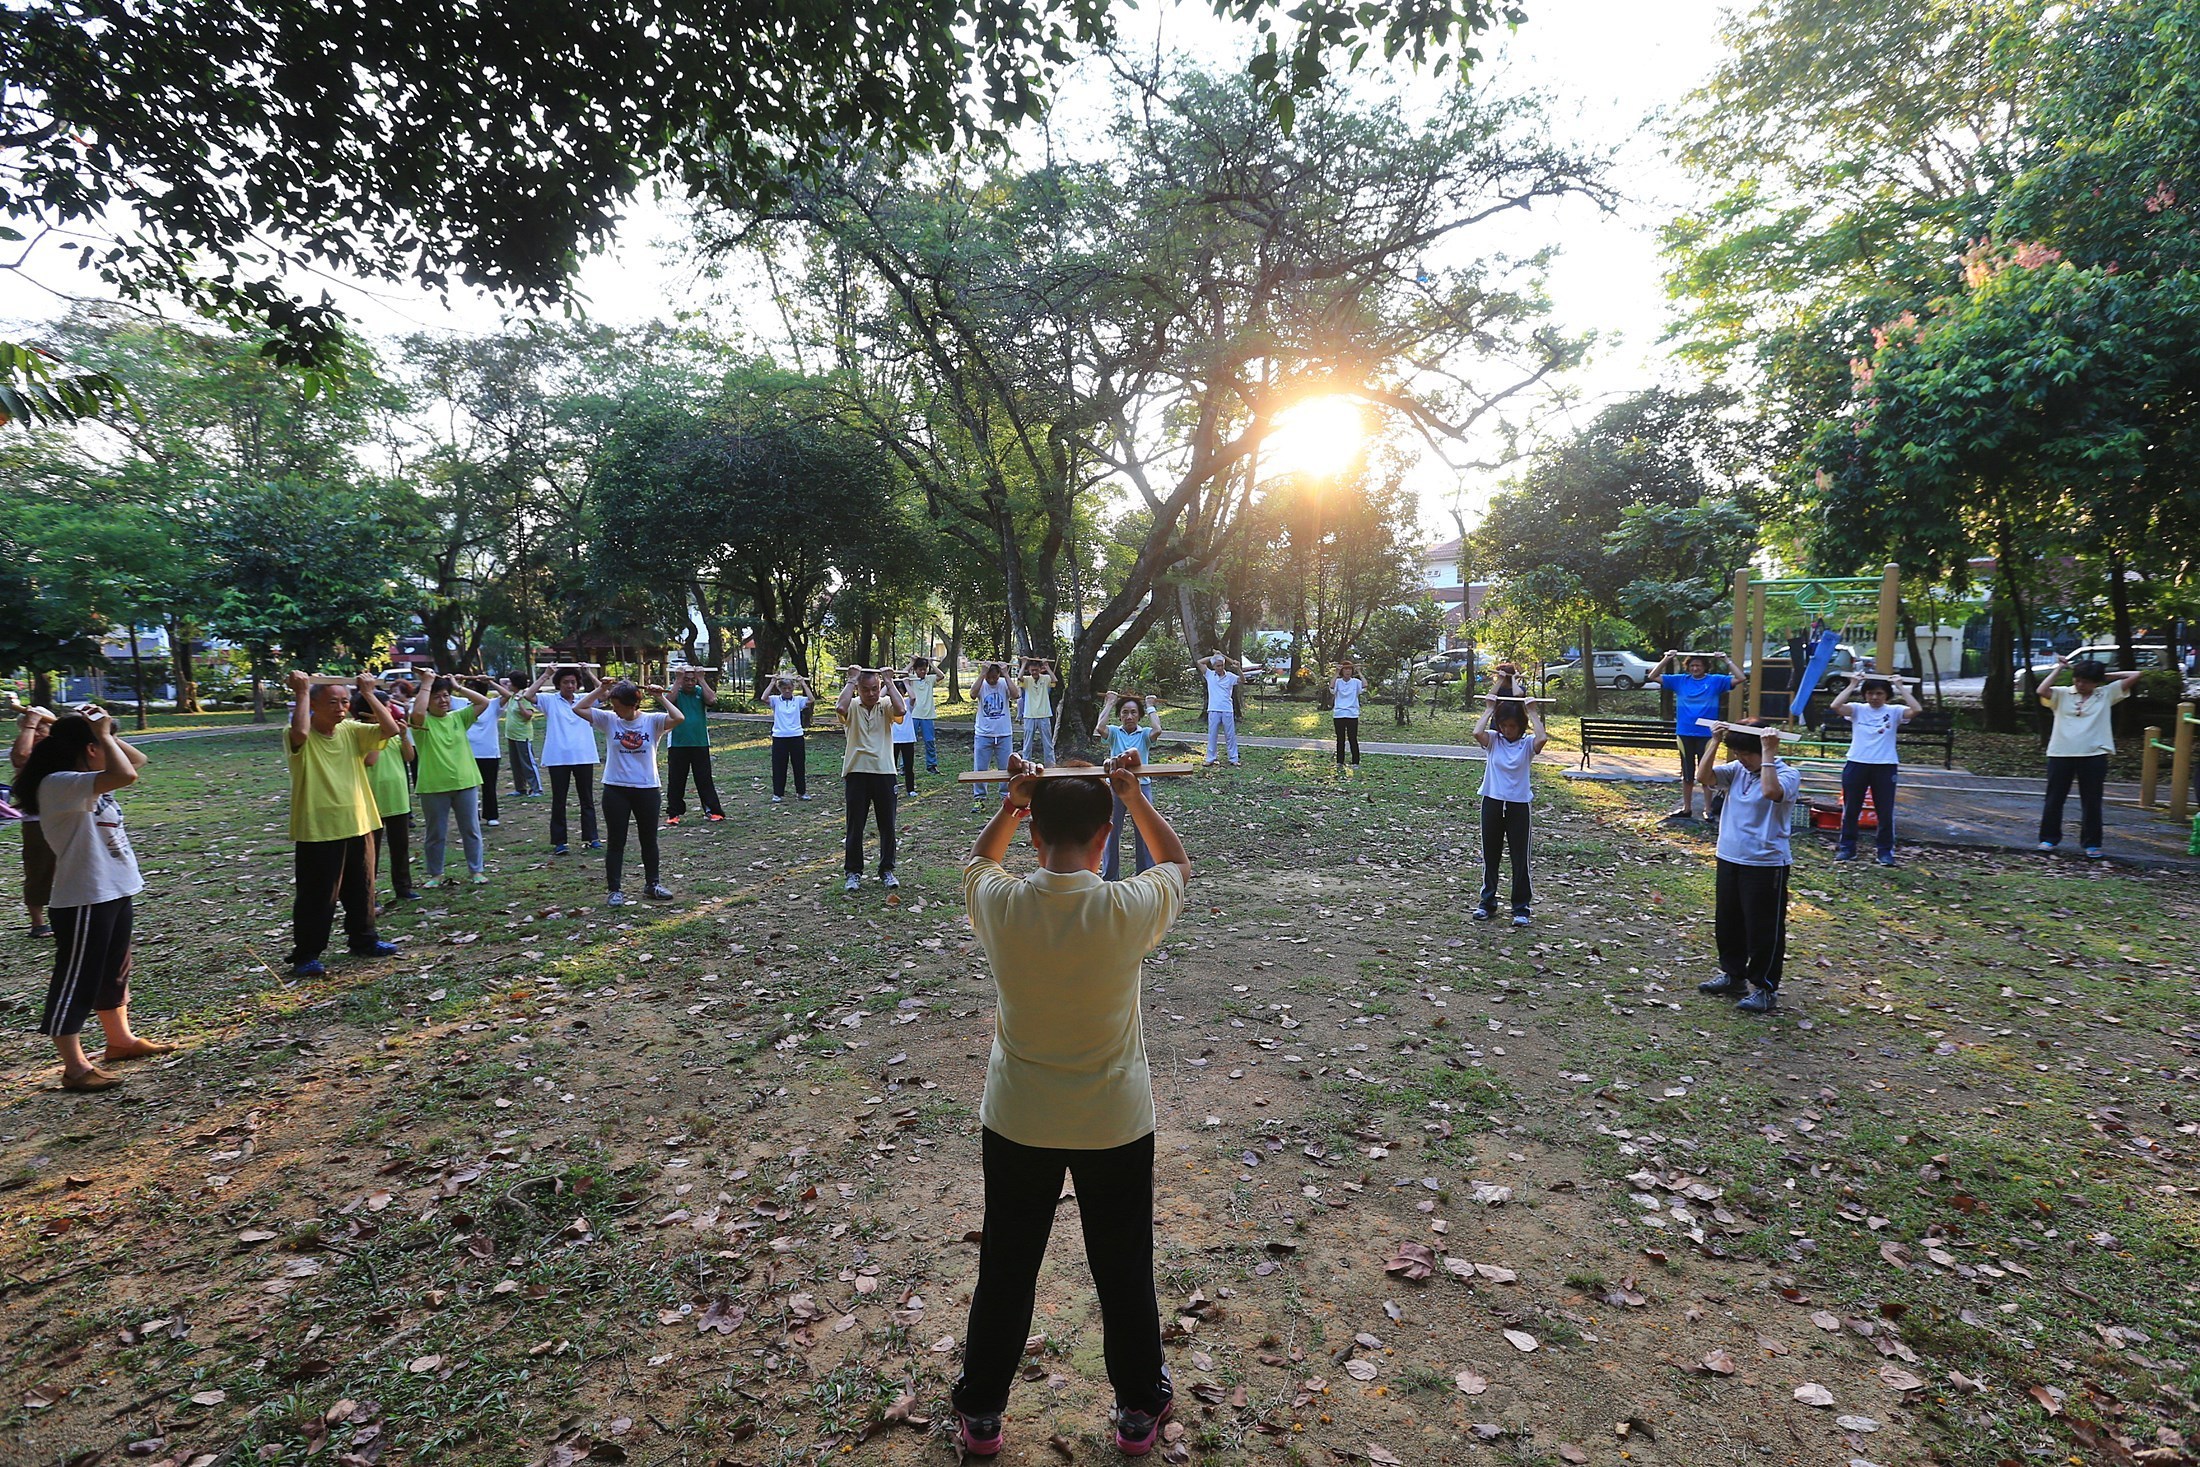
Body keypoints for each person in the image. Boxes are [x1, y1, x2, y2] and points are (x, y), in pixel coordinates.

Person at [952, 751, 1189, 1458]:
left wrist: (1011, 802)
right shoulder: (1126, 907)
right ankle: (1139, 1406)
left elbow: (976, 859)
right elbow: (1176, 862)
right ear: (1106, 835)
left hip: (1018, 1117)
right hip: (1113, 1122)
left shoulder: (999, 901)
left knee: (1007, 1265)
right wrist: (1135, 796)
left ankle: (984, 1409)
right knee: (1123, 1267)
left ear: (1032, 835)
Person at [18, 710, 173, 1091]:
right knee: (76, 981)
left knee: (113, 973)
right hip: (84, 897)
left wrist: (103, 734)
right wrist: (100, 734)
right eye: (104, 742)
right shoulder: (60, 784)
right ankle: (74, 1067)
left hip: (114, 889)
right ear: (90, 750)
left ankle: (119, 1041)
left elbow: (136, 761)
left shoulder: (84, 780)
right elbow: (127, 774)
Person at [286, 671, 402, 978]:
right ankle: (307, 954)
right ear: (314, 704)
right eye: (333, 702)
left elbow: (390, 730)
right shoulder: (301, 733)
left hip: (360, 821)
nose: (341, 708)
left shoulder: (351, 730)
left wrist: (369, 694)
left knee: (362, 889)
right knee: (318, 895)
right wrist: (301, 693)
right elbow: (299, 731)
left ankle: (364, 940)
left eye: (345, 701)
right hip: (320, 827)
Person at [1695, 721, 1800, 1013]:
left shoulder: (1787, 774)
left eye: (1746, 753)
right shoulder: (1737, 771)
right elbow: (1703, 776)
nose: (1740, 758)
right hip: (1729, 856)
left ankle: (1765, 988)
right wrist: (1714, 742)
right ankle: (1733, 976)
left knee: (1763, 928)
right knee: (1728, 922)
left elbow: (1770, 792)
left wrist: (1767, 753)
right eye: (1736, 752)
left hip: (1766, 863)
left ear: (1763, 751)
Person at [573, 679, 680, 905]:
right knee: (616, 841)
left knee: (649, 839)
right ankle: (614, 890)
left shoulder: (652, 721)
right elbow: (578, 708)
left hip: (647, 788)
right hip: (615, 789)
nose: (614, 709)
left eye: (618, 705)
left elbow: (679, 718)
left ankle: (652, 884)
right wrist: (601, 689)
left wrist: (660, 697)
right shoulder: (609, 720)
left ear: (633, 704)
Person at [2036, 656, 2145, 858]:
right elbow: (2041, 690)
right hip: (2061, 753)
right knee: (2054, 799)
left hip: (2094, 753)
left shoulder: (2106, 693)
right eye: (2077, 679)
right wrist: (2059, 669)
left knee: (2092, 801)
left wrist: (2104, 676)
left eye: (2086, 681)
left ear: (2096, 682)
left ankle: (2092, 843)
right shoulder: (2062, 693)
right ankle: (2048, 839)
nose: (2080, 684)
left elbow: (2136, 674)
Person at [1471, 682, 1548, 927]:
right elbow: (1476, 733)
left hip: (1518, 807)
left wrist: (1533, 711)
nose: (1507, 730)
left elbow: (1542, 738)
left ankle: (1521, 908)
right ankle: (1487, 903)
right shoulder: (1493, 740)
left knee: (1519, 859)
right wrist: (1489, 710)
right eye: (1503, 725)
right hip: (1492, 802)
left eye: (1512, 726)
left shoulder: (1527, 745)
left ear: (1520, 726)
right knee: (1490, 856)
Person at [1828, 671, 1921, 864]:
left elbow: (1916, 709)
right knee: (1851, 809)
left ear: (1886, 695)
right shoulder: (1857, 709)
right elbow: (1835, 706)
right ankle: (1847, 848)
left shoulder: (1895, 711)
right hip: (1856, 763)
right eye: (1870, 693)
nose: (1874, 697)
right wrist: (1853, 684)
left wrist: (1901, 686)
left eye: (1879, 693)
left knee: (1884, 811)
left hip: (1885, 766)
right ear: (1865, 695)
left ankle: (1884, 851)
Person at [411, 675, 494, 888]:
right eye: (436, 697)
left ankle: (476, 870)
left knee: (471, 830)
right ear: (428, 700)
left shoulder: (458, 718)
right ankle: (435, 874)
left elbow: (483, 702)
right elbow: (418, 714)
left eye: (446, 696)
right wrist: (427, 684)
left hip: (465, 782)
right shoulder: (422, 724)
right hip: (433, 785)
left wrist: (458, 687)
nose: (443, 700)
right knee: (435, 833)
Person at [1649, 649, 1741, 820]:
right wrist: (1667, 658)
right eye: (1692, 665)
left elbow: (1740, 678)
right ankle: (1687, 808)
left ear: (1705, 667)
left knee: (1706, 772)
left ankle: (1708, 809)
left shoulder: (1716, 681)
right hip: (1684, 732)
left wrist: (1726, 660)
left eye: (1698, 665)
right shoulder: (1680, 681)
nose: (1695, 668)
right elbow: (1653, 676)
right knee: (1687, 773)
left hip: (1706, 734)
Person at [524, 663, 603, 854]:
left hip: (583, 756)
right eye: (566, 682)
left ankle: (592, 837)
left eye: (573, 682)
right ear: (559, 684)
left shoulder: (584, 699)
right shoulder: (550, 700)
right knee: (559, 800)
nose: (570, 686)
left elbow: (605, 693)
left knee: (587, 799)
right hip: (558, 757)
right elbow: (528, 696)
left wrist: (590, 673)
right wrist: (545, 675)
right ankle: (560, 842)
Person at [838, 668, 906, 890]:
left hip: (885, 771)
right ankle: (853, 872)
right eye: (865, 690)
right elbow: (840, 707)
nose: (871, 694)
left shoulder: (885, 704)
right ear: (858, 689)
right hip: (857, 771)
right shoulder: (852, 704)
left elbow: (901, 709)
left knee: (888, 825)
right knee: (855, 825)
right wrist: (851, 680)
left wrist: (889, 680)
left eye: (875, 689)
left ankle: (887, 870)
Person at [1094, 691, 1164, 880]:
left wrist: (1150, 705)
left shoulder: (1144, 735)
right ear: (1120, 716)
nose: (1129, 716)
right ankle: (1109, 877)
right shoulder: (1115, 733)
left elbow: (1157, 730)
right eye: (1125, 712)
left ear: (1139, 715)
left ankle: (1145, 874)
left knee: (1145, 830)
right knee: (1111, 831)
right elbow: (1100, 728)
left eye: (1133, 712)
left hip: (1141, 787)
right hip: (1116, 787)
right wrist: (1110, 702)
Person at [357, 689, 416, 908]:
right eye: (385, 707)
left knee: (400, 847)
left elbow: (409, 757)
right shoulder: (362, 733)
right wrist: (382, 733)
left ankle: (404, 888)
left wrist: (401, 736)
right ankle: (368, 896)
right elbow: (370, 760)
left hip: (398, 799)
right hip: (372, 801)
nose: (390, 710)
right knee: (370, 854)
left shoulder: (392, 733)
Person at [12, 703, 56, 938]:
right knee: (39, 869)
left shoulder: (60, 747)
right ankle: (38, 923)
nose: (38, 732)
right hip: (36, 819)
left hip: (68, 816)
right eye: (32, 728)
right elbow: (21, 758)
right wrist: (30, 722)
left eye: (43, 727)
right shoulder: (23, 747)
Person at [664, 668, 724, 825]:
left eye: (693, 679)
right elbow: (668, 702)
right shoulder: (675, 691)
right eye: (686, 679)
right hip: (678, 743)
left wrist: (702, 679)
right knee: (676, 780)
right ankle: (673, 813)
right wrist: (677, 680)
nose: (690, 683)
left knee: (704, 779)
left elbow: (712, 700)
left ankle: (713, 810)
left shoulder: (700, 691)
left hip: (700, 742)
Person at [971, 661, 1015, 811]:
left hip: (1004, 734)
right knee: (980, 768)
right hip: (983, 734)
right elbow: (972, 694)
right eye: (989, 677)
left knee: (1006, 768)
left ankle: (1006, 796)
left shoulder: (1003, 683)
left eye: (994, 677)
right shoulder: (981, 683)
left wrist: (1006, 674)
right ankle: (979, 799)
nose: (992, 680)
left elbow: (1016, 695)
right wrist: (982, 673)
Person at [461, 678, 504, 827]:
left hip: (489, 752)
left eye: (474, 688)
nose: (470, 692)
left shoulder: (493, 705)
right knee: (469, 787)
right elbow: (444, 689)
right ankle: (473, 816)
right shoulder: (461, 704)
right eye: (468, 688)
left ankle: (491, 815)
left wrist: (491, 681)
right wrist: (456, 681)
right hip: (467, 752)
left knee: (489, 786)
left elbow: (507, 695)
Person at [765, 673, 812, 803]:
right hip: (780, 737)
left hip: (796, 736)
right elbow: (763, 698)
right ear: (780, 689)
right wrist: (772, 681)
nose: (787, 691)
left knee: (799, 766)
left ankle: (801, 792)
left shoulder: (798, 700)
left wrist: (803, 683)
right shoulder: (775, 700)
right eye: (784, 688)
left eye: (790, 688)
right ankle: (778, 794)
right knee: (779, 766)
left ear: (792, 689)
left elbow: (811, 699)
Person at [1198, 654, 1241, 768]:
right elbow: (1200, 662)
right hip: (1213, 709)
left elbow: (1242, 680)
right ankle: (1210, 758)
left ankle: (1233, 758)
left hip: (1227, 709)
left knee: (1230, 735)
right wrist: (1214, 655)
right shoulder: (1209, 675)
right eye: (1217, 666)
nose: (1220, 668)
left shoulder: (1230, 676)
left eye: (1221, 665)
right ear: (1213, 666)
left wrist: (1238, 669)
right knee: (1212, 735)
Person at [502, 686, 543, 797]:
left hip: (522, 736)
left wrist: (520, 702)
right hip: (512, 735)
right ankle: (520, 789)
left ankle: (537, 789)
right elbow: (502, 683)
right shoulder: (513, 695)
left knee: (528, 763)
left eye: (510, 681)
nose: (508, 683)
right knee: (516, 764)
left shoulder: (524, 696)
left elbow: (528, 715)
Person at [906, 657, 943, 772]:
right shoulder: (911, 679)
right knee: (908, 742)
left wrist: (931, 664)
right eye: (920, 669)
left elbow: (941, 676)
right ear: (915, 670)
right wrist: (912, 662)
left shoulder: (929, 679)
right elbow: (903, 673)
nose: (923, 672)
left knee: (929, 741)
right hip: (914, 715)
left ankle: (931, 765)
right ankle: (905, 766)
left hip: (927, 715)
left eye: (924, 669)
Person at [1018, 658, 1057, 763]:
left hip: (1044, 715)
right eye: (1032, 670)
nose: (1034, 672)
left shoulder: (1046, 678)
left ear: (1040, 669)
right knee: (1027, 745)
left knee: (1048, 743)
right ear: (1029, 670)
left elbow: (1055, 680)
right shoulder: (1027, 680)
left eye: (1036, 670)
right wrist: (1024, 663)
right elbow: (1019, 677)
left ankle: (1050, 766)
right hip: (1029, 716)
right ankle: (1026, 764)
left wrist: (1047, 666)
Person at [1331, 659, 1366, 769]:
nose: (1348, 671)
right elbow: (1331, 687)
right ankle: (1340, 762)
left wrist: (1360, 672)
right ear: (1342, 670)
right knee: (1340, 739)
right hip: (1339, 714)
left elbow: (1365, 686)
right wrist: (1336, 672)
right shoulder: (1337, 681)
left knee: (1353, 738)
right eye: (1345, 669)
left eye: (1350, 669)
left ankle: (1355, 762)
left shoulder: (1356, 682)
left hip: (1352, 714)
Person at [890, 669, 920, 794]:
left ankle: (910, 790)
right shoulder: (887, 704)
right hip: (893, 739)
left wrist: (906, 683)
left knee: (909, 767)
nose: (898, 695)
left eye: (900, 693)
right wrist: (889, 682)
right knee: (891, 767)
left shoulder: (908, 703)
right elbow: (881, 696)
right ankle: (891, 788)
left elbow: (913, 697)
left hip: (907, 739)